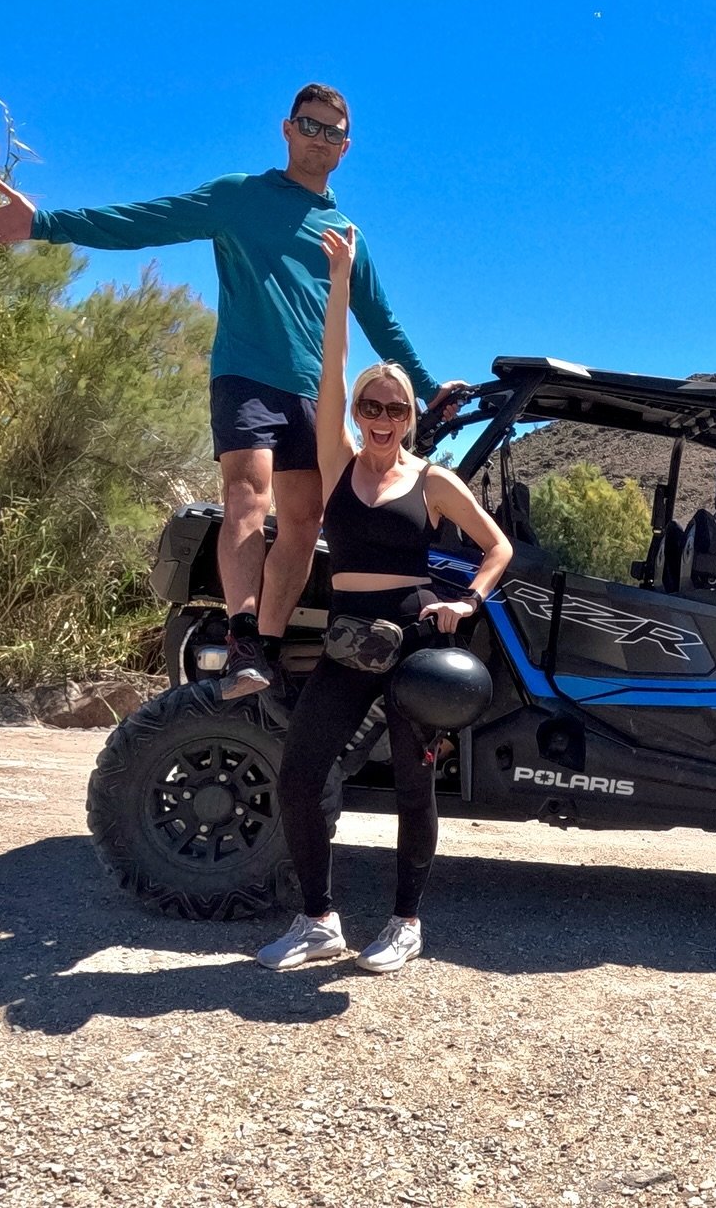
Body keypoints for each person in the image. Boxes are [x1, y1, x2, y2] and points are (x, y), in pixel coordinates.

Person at [0, 83, 464, 699]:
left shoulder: (345, 235)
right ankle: (243, 638)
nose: (319, 139)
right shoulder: (238, 197)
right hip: (246, 374)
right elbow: (147, 220)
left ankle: (265, 654)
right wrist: (42, 222)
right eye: (310, 125)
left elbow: (380, 321)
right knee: (247, 495)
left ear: (346, 147)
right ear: (287, 129)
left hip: (313, 391)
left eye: (332, 132)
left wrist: (432, 389)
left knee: (305, 521)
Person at [256, 224, 511, 974]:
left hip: (415, 642)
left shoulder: (432, 480)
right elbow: (330, 368)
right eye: (372, 404)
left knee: (413, 782)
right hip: (346, 640)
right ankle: (318, 920)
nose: (380, 416)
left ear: (410, 417)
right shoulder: (338, 461)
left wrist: (468, 601)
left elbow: (497, 547)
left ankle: (405, 921)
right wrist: (340, 284)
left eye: (395, 408)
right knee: (300, 774)